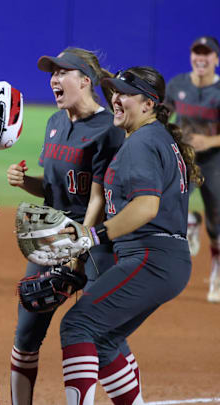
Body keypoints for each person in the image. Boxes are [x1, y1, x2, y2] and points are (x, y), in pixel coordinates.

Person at [58, 66, 202, 405]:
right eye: (114, 92)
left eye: (124, 93)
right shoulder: (156, 138)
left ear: (149, 104)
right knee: (105, 341)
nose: (115, 99)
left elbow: (146, 207)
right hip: (162, 259)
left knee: (77, 325)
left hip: (152, 257)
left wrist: (91, 237)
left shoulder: (142, 142)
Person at [5, 48, 129, 405]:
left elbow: (99, 197)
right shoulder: (56, 122)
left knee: (101, 332)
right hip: (52, 235)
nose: (54, 80)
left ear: (85, 81)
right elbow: (54, 186)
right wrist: (24, 181)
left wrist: (80, 247)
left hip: (95, 243)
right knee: (26, 333)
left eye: (62, 73)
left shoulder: (109, 129)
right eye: (52, 73)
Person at [165, 36, 220, 302]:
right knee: (171, 201)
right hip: (185, 157)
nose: (201, 58)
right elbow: (162, 115)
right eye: (197, 53)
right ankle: (191, 222)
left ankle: (216, 275)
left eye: (207, 54)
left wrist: (209, 140)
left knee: (217, 219)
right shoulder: (178, 84)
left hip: (214, 160)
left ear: (216, 60)